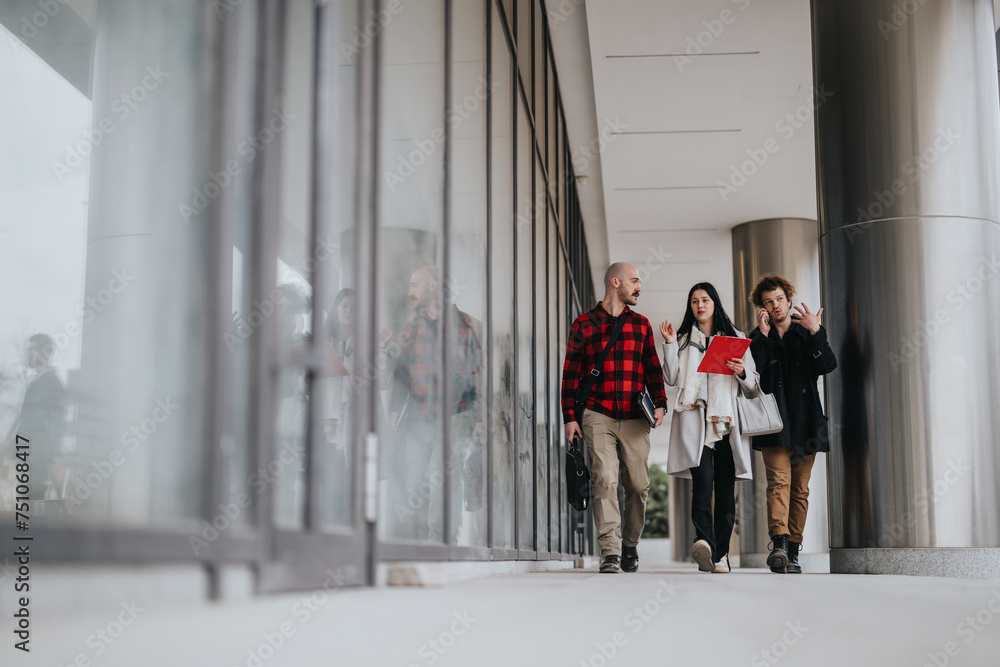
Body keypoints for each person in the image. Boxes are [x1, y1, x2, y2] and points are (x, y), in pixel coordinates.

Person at [561, 262, 667, 574]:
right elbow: (570, 375)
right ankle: (610, 550)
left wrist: (659, 403)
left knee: (637, 484)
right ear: (615, 282)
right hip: (597, 412)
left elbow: (652, 369)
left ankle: (630, 543)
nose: (639, 287)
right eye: (635, 281)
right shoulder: (583, 324)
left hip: (635, 415)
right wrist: (570, 416)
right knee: (604, 478)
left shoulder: (642, 325)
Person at [660, 283, 759, 574]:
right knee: (702, 485)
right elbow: (671, 377)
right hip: (694, 421)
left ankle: (721, 555)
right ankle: (704, 541)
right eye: (694, 301)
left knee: (726, 491)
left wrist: (741, 370)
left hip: (725, 424)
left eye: (704, 300)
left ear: (714, 303)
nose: (699, 305)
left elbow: (753, 384)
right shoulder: (681, 340)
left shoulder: (736, 337)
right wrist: (668, 343)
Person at [748, 273, 837, 574]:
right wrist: (761, 337)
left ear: (788, 298)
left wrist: (816, 332)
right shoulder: (756, 338)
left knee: (800, 489)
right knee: (778, 483)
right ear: (761, 307)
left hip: (806, 422)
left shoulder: (806, 331)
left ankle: (794, 550)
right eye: (767, 302)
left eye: (779, 299)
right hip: (772, 424)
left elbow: (827, 365)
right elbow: (754, 380)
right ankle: (779, 544)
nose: (775, 306)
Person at [389, 266, 484, 543]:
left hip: (456, 416)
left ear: (432, 287)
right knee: (413, 484)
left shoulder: (469, 326)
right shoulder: (412, 327)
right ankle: (423, 540)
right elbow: (401, 371)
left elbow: (479, 376)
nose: (409, 292)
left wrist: (479, 419)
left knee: (442, 479)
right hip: (418, 418)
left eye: (414, 285)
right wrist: (395, 408)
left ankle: (441, 539)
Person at [4, 334, 68, 500]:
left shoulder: (49, 384)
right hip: (31, 458)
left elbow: (38, 429)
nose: (28, 354)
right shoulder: (40, 382)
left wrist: (11, 447)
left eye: (32, 349)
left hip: (36, 460)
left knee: (30, 509)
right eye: (28, 350)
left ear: (46, 353)